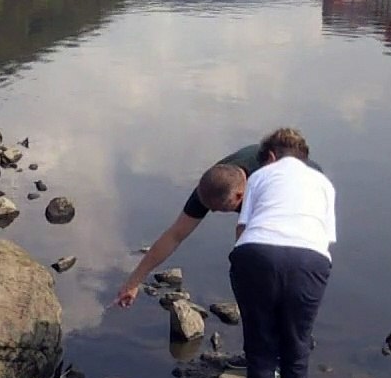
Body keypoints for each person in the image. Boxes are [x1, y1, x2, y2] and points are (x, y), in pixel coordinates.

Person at [112, 131, 321, 309]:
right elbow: (175, 235)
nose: (213, 212)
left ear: (239, 196)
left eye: (221, 209)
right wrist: (133, 282)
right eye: (210, 208)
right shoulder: (212, 185)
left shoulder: (270, 188)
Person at [229, 129, 336, 378]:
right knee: (297, 340)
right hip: (309, 258)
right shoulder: (324, 183)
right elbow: (326, 237)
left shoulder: (259, 176)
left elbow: (242, 228)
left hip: (256, 252)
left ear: (271, 157)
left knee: (259, 339)